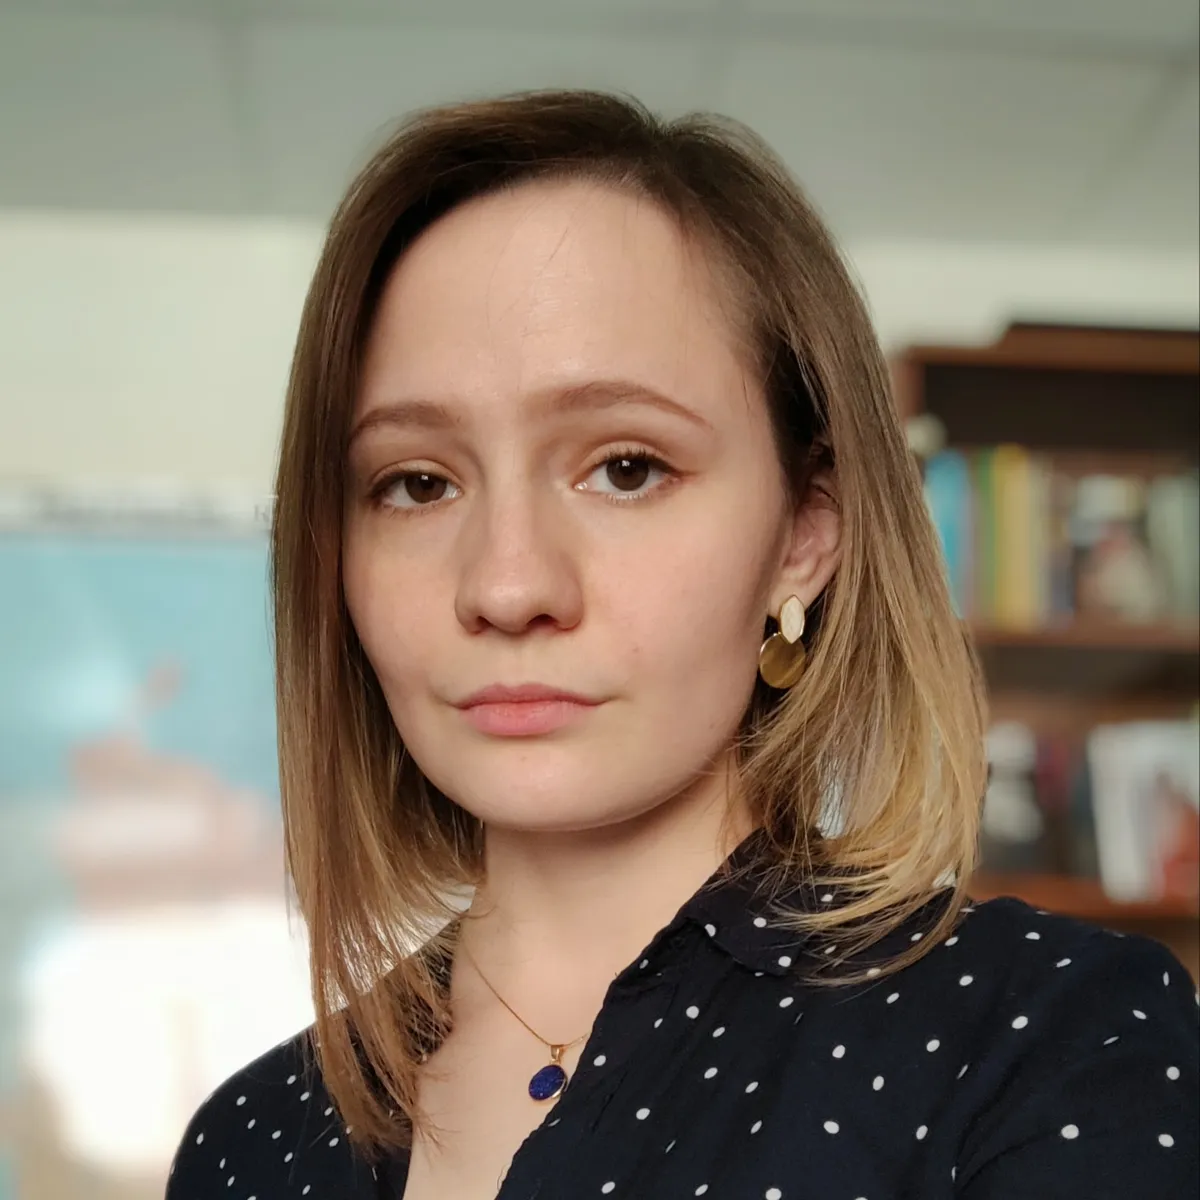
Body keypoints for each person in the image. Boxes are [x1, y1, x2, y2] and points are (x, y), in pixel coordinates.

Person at [165, 90, 1198, 1200]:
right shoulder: (250, 1141)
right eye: (417, 484)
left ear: (804, 535)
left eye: (626, 468)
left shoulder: (1055, 1038)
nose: (508, 586)